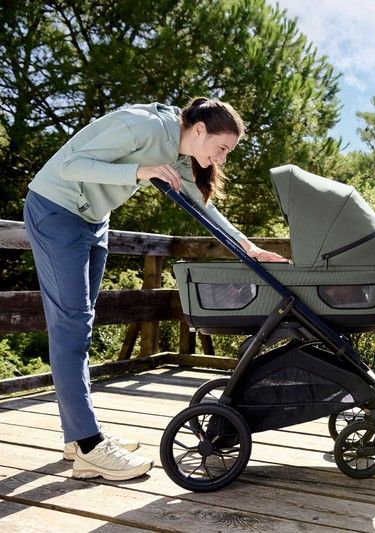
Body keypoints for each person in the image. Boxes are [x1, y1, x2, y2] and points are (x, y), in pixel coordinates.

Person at [23, 97, 286, 481]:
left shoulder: (178, 154)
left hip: (93, 220)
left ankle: (77, 437)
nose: (223, 158)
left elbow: (204, 207)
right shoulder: (143, 126)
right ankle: (89, 445)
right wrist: (141, 171)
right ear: (200, 130)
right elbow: (69, 166)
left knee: (80, 326)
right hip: (56, 210)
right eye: (222, 148)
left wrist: (248, 247)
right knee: (71, 328)